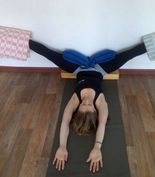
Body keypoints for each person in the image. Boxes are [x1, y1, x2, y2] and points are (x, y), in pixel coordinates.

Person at [29, 39, 147, 173]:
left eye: (82, 105)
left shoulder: (75, 100)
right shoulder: (100, 103)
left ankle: (23, 41)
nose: (86, 101)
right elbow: (101, 125)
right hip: (101, 69)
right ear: (95, 110)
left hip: (78, 69)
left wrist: (62, 146)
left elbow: (65, 122)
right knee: (130, 54)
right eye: (89, 105)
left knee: (48, 54)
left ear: (78, 108)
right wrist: (97, 148)